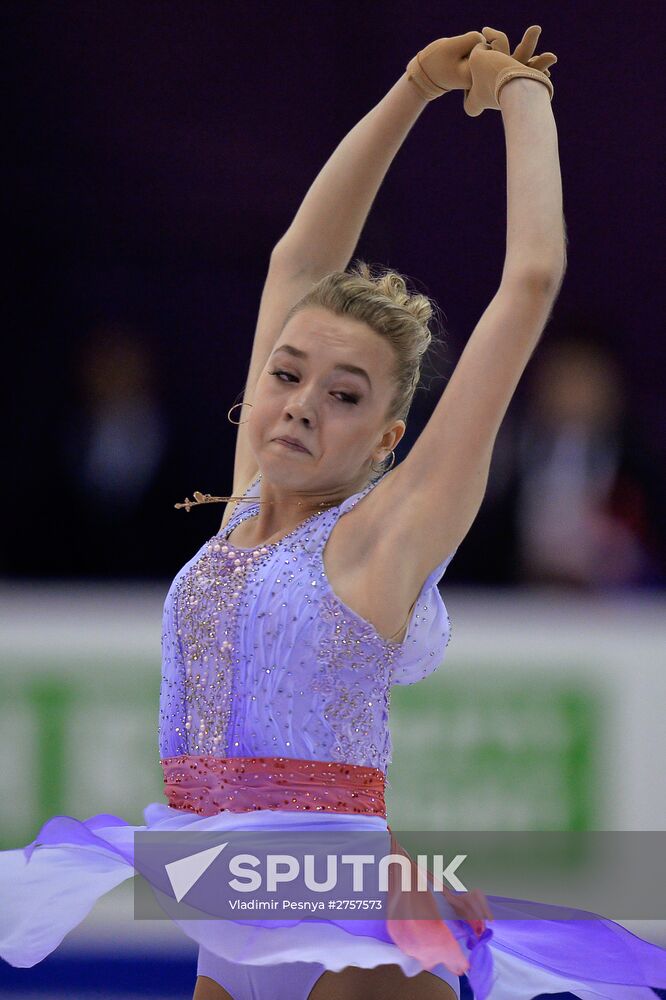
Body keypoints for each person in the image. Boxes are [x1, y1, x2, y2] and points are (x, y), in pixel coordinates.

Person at [1, 24, 666, 1000]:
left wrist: (525, 96)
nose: (304, 403)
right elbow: (298, 257)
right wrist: (411, 87)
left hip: (341, 917)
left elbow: (528, 284)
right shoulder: (242, 509)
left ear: (388, 440)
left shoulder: (383, 539)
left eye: (347, 394)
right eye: (287, 374)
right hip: (228, 897)